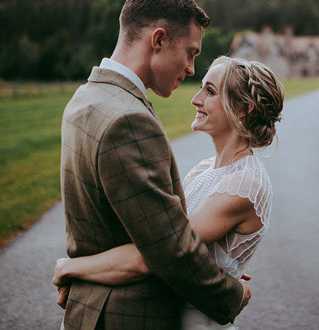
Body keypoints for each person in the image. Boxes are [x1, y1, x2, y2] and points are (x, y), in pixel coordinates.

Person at [58, 0, 251, 329]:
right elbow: (170, 249)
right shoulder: (129, 120)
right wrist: (231, 294)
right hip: (129, 316)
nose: (192, 68)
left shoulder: (85, 99)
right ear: (158, 40)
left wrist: (76, 271)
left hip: (89, 306)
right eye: (190, 52)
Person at [55, 56, 284, 329]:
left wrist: (71, 268)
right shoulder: (203, 169)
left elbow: (158, 254)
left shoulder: (245, 185)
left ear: (243, 108)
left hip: (196, 320)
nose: (195, 99)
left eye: (209, 91)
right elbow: (158, 237)